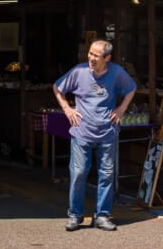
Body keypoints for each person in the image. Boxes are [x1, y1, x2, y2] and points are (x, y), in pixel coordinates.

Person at [53, 39, 137, 232]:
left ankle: (103, 216)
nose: (90, 58)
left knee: (106, 175)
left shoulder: (116, 73)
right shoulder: (79, 71)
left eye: (96, 56)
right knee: (79, 174)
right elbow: (57, 88)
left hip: (107, 132)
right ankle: (75, 215)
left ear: (107, 58)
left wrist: (122, 108)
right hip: (82, 132)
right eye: (90, 53)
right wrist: (67, 109)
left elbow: (131, 88)